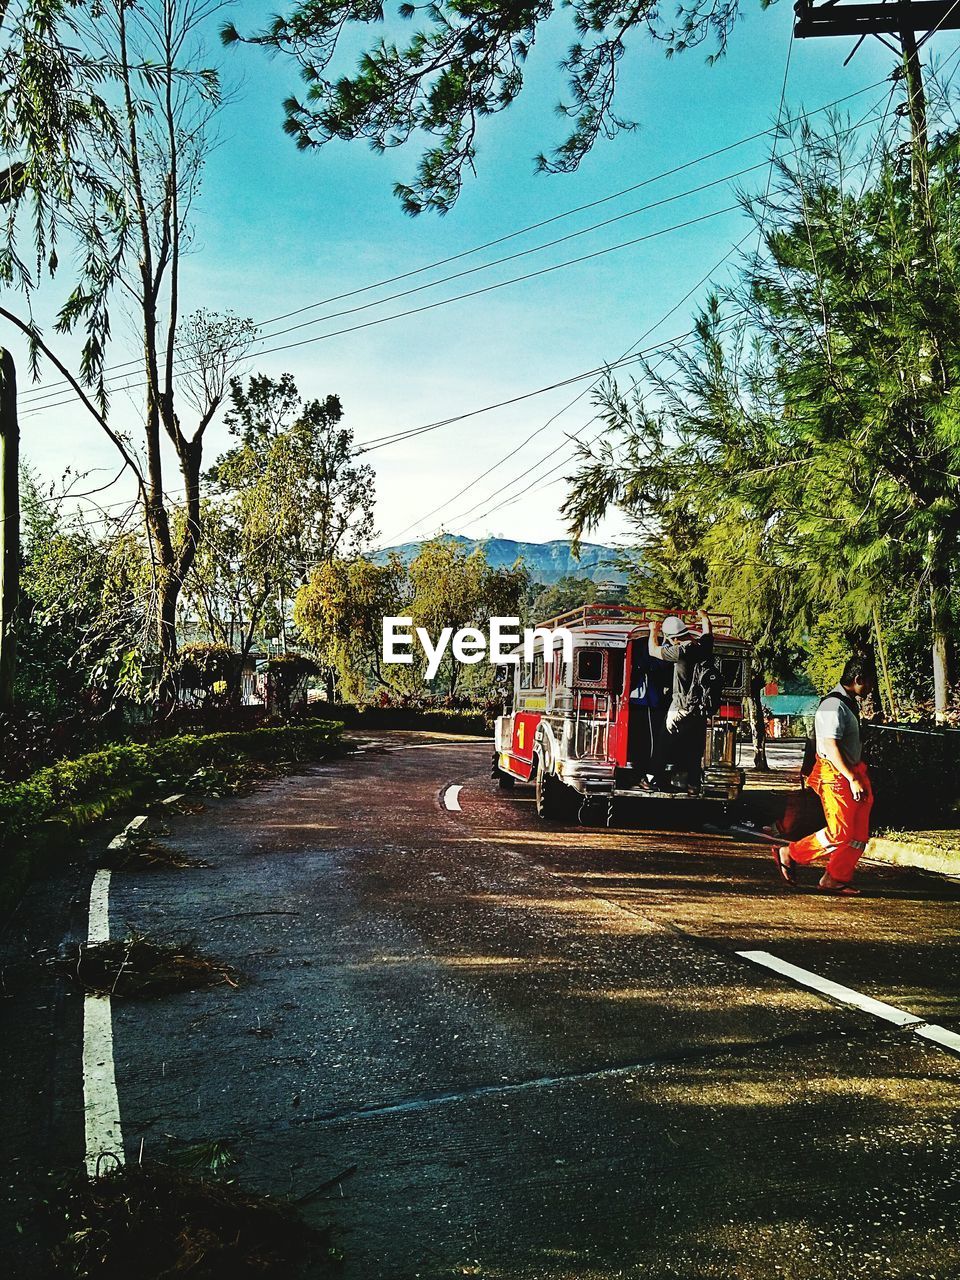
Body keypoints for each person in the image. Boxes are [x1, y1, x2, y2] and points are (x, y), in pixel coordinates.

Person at [775, 659, 875, 895]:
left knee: (858, 834)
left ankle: (835, 878)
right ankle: (791, 853)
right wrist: (851, 777)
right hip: (836, 773)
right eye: (869, 682)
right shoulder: (833, 706)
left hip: (852, 770)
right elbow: (830, 746)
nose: (871, 688)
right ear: (858, 680)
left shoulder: (847, 703)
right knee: (840, 832)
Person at [648, 609, 713, 793]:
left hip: (681, 706)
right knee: (694, 746)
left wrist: (653, 631)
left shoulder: (681, 651)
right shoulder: (703, 647)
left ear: (673, 638)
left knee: (664, 740)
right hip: (700, 708)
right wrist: (704, 618)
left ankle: (654, 778)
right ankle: (693, 784)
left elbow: (653, 651)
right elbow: (708, 632)